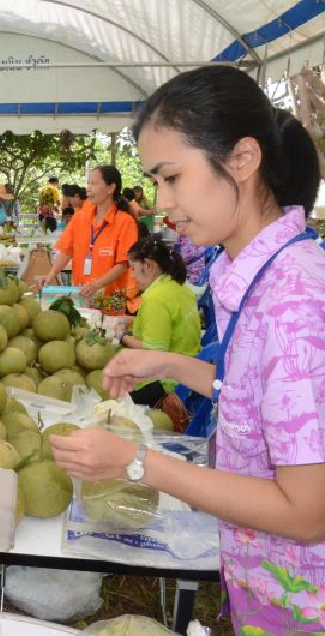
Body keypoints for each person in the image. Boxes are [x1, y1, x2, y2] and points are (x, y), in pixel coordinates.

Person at [50, 66, 325, 635]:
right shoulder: (260, 276)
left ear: (243, 160)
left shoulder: (294, 298)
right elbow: (265, 403)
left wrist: (135, 462)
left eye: (171, 177)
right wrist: (172, 364)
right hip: (268, 585)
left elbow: (308, 511)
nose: (162, 202)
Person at [119, 235, 200, 407]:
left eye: (133, 268)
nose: (132, 276)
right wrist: (133, 321)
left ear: (149, 266)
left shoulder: (155, 298)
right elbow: (168, 322)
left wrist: (123, 337)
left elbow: (155, 350)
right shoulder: (177, 287)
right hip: (188, 372)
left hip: (167, 383)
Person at [35, 166, 138, 298]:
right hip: (81, 295)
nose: (88, 188)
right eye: (88, 183)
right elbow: (66, 250)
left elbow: (123, 264)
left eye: (94, 184)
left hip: (110, 300)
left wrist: (97, 285)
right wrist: (51, 274)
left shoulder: (125, 222)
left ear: (111, 188)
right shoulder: (79, 217)